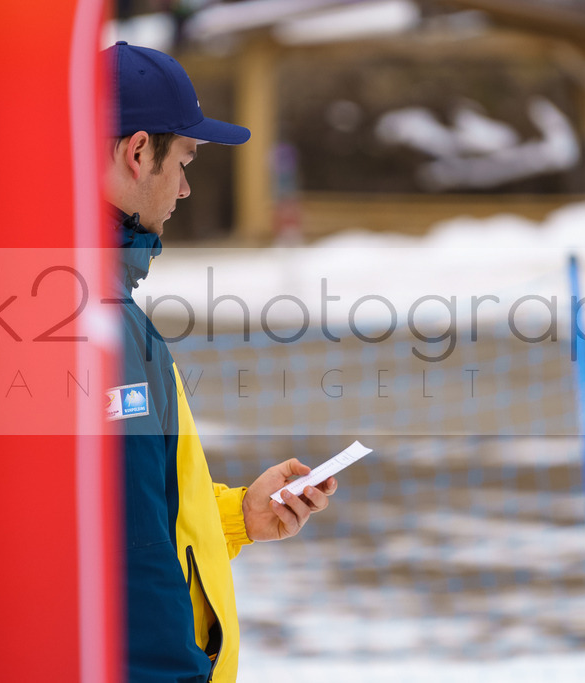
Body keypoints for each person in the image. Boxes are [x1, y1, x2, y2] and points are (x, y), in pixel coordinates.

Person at [100, 42, 338, 683]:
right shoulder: (94, 321)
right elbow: (128, 556)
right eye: (183, 162)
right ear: (138, 150)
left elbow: (128, 508)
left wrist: (237, 517)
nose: (183, 186)